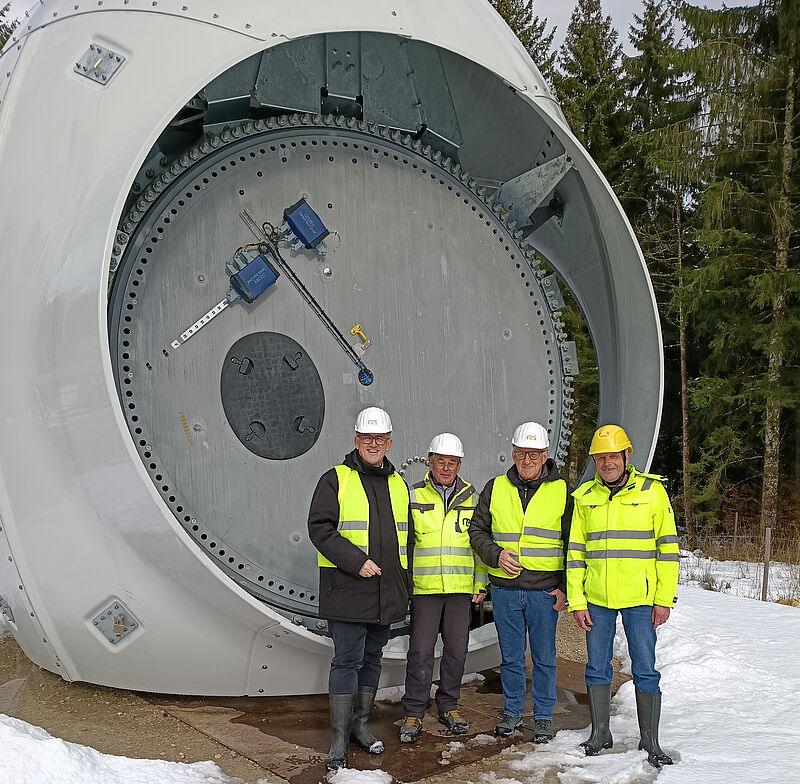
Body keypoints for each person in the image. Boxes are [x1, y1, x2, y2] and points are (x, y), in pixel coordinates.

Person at [566, 424, 679, 768]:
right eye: (601, 458)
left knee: (645, 668)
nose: (607, 463)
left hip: (640, 599)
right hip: (597, 599)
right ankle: (600, 734)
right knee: (597, 667)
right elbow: (575, 553)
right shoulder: (585, 497)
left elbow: (669, 549)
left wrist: (664, 598)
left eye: (613, 456)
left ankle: (651, 741)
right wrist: (577, 601)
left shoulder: (652, 492)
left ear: (627, 456)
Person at [307, 406, 413, 771]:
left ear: (388, 442)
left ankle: (360, 727)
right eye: (367, 438)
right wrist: (357, 561)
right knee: (346, 661)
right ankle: (338, 740)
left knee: (372, 660)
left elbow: (406, 540)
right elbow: (320, 529)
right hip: (349, 590)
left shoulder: (398, 483)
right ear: (356, 440)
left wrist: (403, 585)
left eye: (379, 439)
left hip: (385, 593)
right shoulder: (335, 479)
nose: (373, 444)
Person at [469, 421, 572, 743]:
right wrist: (495, 555)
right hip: (505, 591)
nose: (526, 460)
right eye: (520, 454)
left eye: (533, 454)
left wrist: (565, 588)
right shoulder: (495, 487)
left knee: (544, 658)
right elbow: (477, 531)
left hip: (543, 592)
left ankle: (542, 715)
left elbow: (574, 543)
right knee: (510, 658)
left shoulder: (563, 491)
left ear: (544, 455)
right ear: (513, 454)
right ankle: (512, 711)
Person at [399, 433, 488, 743]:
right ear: (430, 461)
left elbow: (479, 545)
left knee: (456, 651)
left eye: (452, 462)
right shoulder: (413, 495)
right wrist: (405, 584)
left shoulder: (474, 498)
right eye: (441, 461)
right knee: (420, 651)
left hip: (461, 588)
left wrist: (480, 583)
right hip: (425, 588)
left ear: (459, 464)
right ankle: (413, 710)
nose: (446, 467)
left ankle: (448, 705)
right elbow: (405, 544)